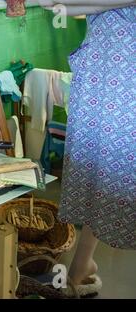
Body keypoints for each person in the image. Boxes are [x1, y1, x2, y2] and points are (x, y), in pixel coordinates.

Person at [39, 0, 135, 296]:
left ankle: (82, 267)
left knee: (115, 173)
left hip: (124, 87)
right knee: (95, 169)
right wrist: (59, 6)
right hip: (103, 82)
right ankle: (82, 265)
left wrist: (60, 7)